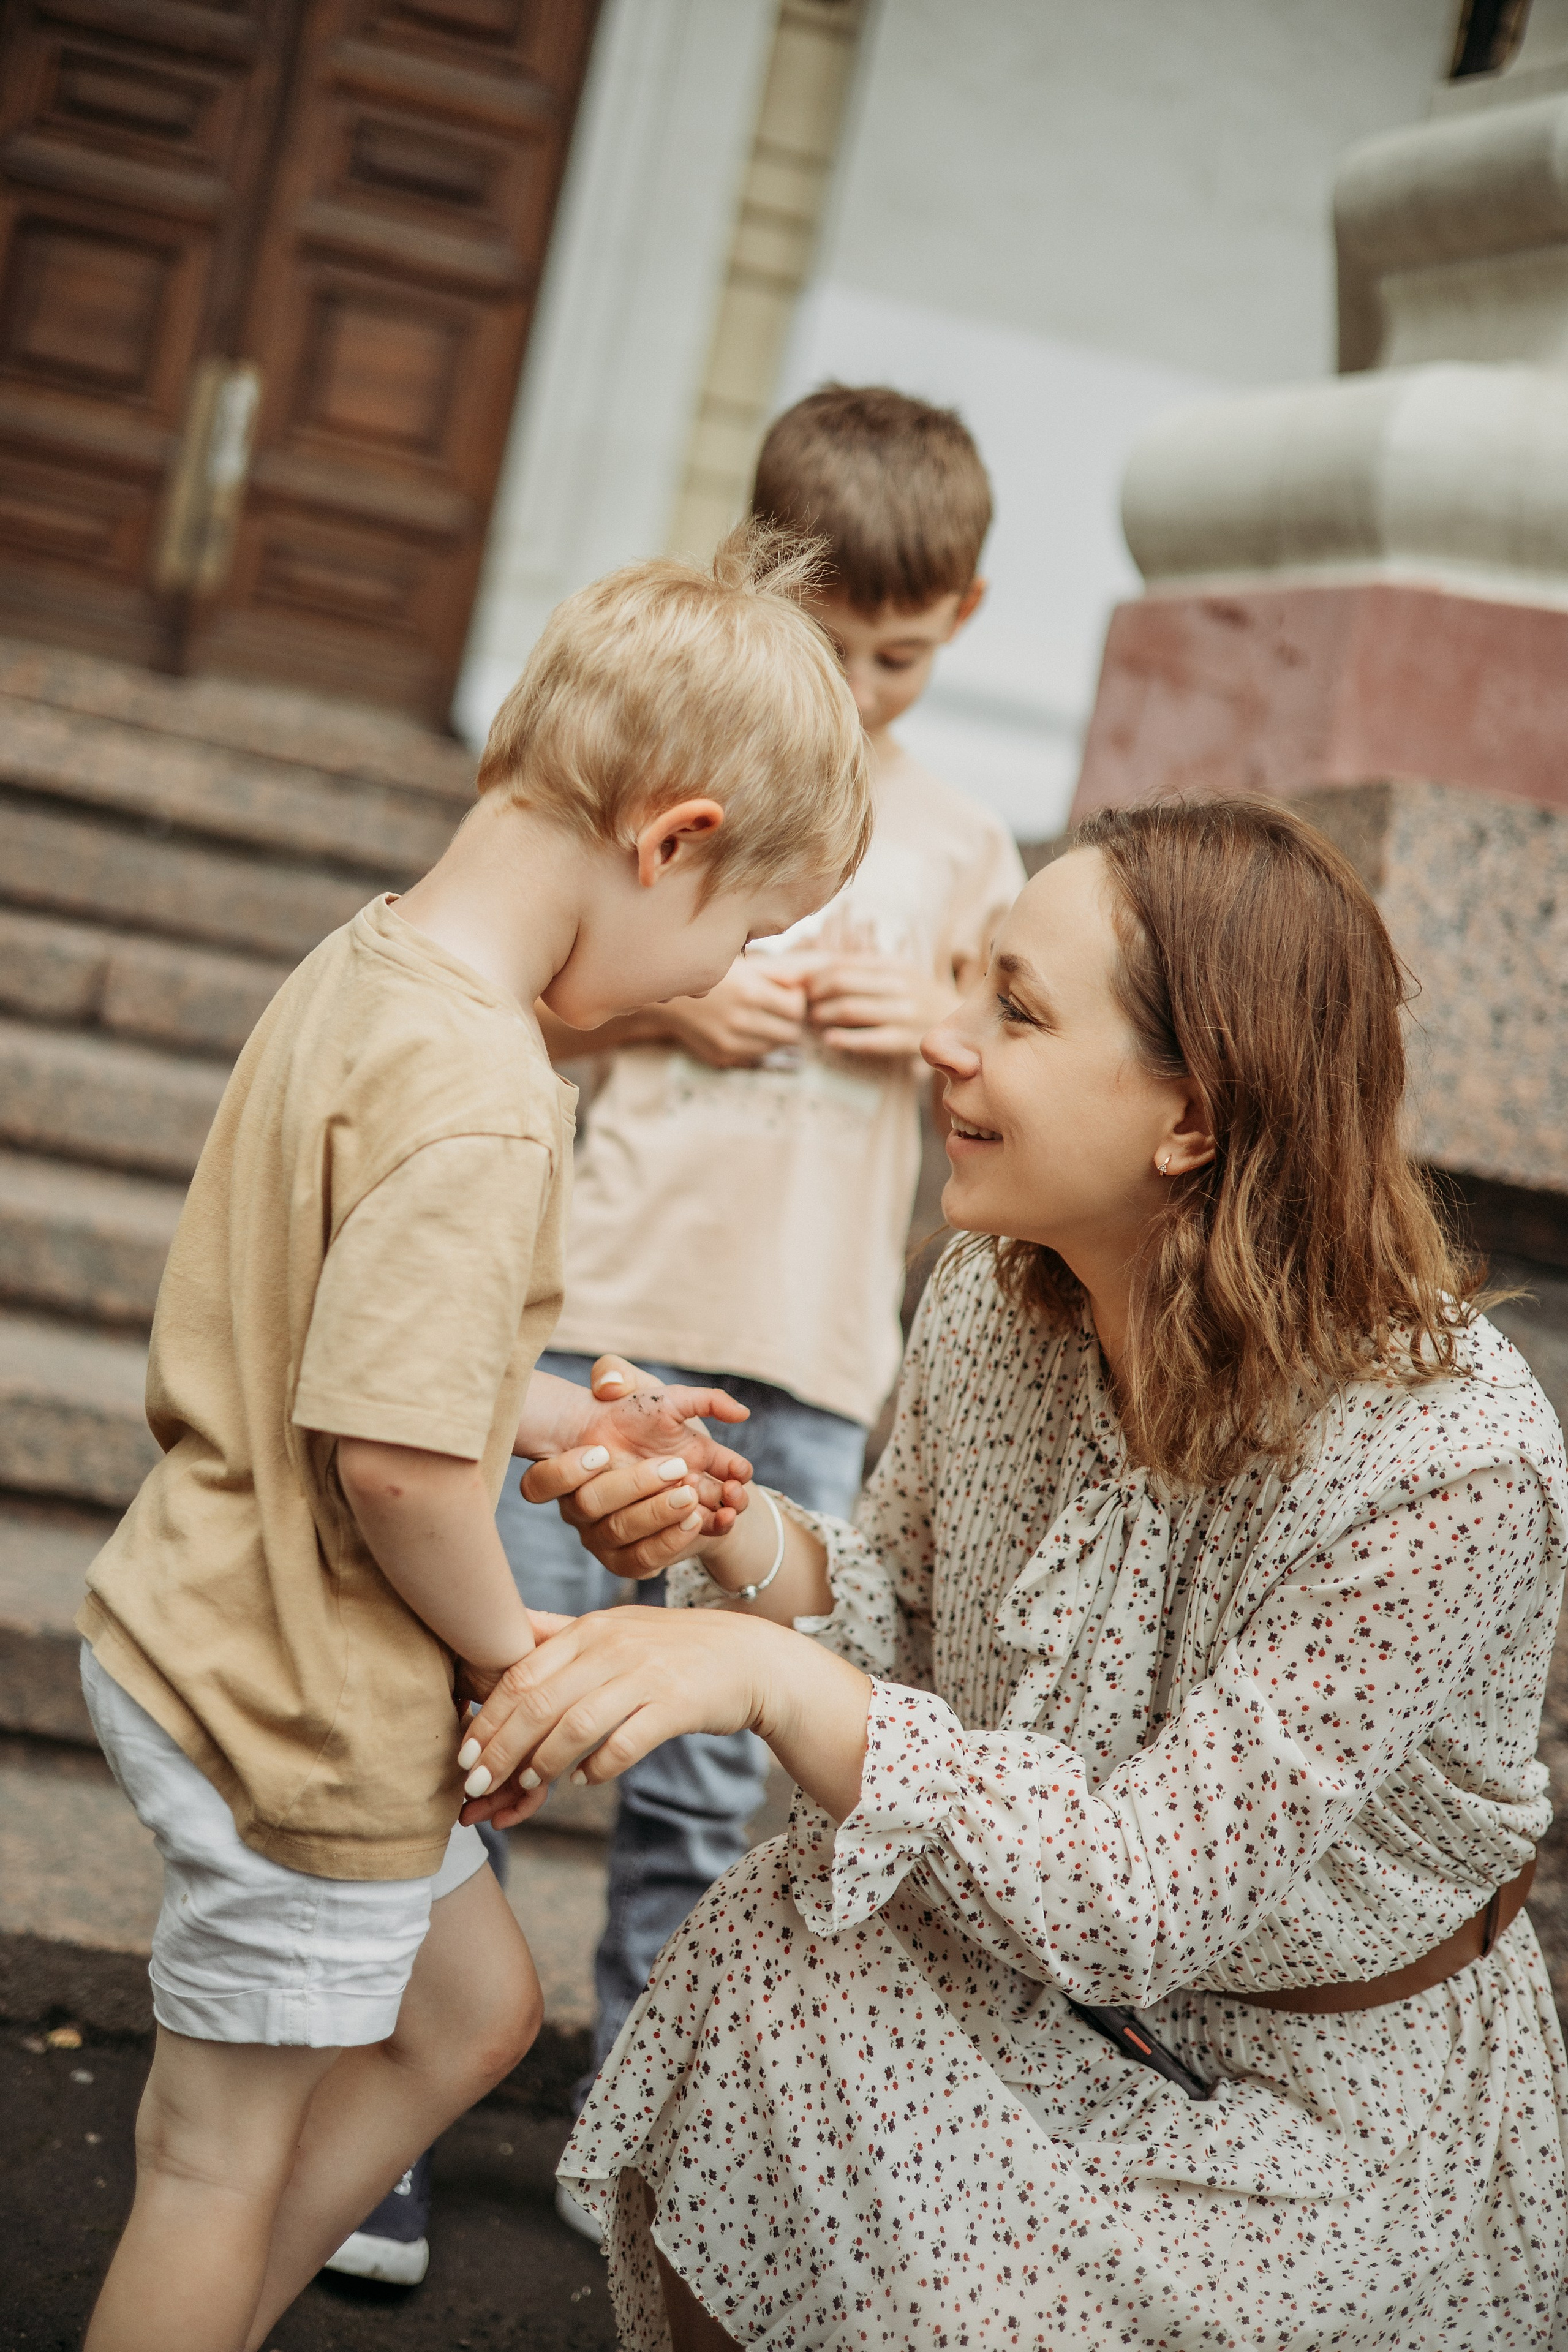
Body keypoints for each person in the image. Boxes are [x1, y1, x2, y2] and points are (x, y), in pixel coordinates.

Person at [462, 794, 1568, 2350]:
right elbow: (898, 1606)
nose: (943, 1039)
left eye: (1017, 1010)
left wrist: (767, 1678)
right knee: (784, 1946)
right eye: (970, 982)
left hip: (1315, 2110)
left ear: (1189, 1121)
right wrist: (723, 1523)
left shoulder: (1445, 1467)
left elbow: (1137, 1894)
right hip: (1028, 1992)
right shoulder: (1002, 1278)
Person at [71, 527, 872, 2352]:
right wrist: (521, 1674)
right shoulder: (494, 1096)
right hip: (303, 1701)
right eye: (733, 937)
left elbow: (361, 1349)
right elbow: (398, 1467)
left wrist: (572, 1407)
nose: (701, 983)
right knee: (210, 2167)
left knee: (471, 2012)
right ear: (671, 841)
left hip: (212, 1623)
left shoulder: (373, 972)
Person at [489, 388, 1023, 2247]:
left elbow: (1024, 1066)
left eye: (890, 655)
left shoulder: (964, 838)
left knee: (711, 1795)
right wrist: (663, 1008)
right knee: (482, 1711)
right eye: (823, 649)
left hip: (800, 1370)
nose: (859, 693)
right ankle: (368, 2093)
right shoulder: (658, 770)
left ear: (957, 620)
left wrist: (934, 1027)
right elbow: (510, 986)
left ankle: (643, 2151)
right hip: (610, 1330)